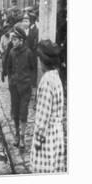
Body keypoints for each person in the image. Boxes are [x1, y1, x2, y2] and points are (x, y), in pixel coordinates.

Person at [29, 39, 66, 173]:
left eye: (39, 59)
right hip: (57, 135)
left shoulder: (46, 82)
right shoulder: (56, 77)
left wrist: (38, 143)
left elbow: (42, 120)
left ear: (43, 61)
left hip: (47, 138)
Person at [5, 23, 36, 150]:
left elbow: (33, 70)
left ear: (21, 40)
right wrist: (11, 81)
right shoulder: (11, 52)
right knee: (16, 113)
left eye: (15, 39)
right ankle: (17, 135)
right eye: (12, 39)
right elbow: (9, 68)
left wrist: (32, 86)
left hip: (25, 89)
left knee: (23, 113)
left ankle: (22, 137)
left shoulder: (28, 53)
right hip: (14, 88)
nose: (13, 41)